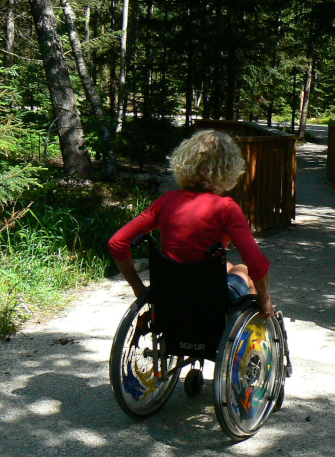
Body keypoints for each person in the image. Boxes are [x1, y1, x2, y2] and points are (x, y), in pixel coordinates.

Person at [108, 129, 274, 318]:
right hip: (210, 296)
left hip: (169, 292)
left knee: (227, 265)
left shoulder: (166, 201)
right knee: (243, 270)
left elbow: (117, 242)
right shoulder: (226, 208)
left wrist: (138, 287)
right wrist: (266, 300)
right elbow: (256, 263)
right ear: (229, 169)